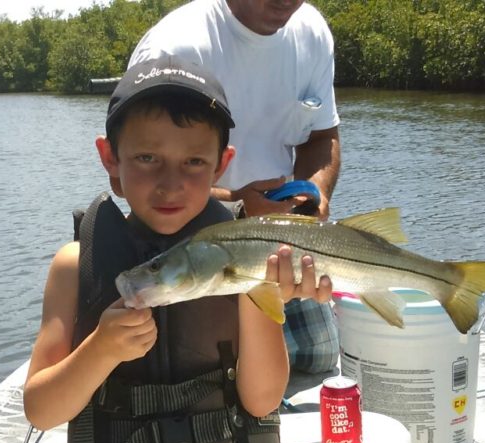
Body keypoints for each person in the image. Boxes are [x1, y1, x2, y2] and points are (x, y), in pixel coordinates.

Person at [24, 56, 296, 443]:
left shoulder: (247, 257)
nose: (171, 183)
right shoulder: (75, 266)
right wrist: (101, 349)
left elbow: (261, 401)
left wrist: (263, 293)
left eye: (194, 162)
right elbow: (41, 410)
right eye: (147, 158)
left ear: (222, 164)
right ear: (110, 159)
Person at [129, 0, 341, 382]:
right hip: (190, 246)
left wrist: (316, 201)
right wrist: (240, 203)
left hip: (283, 237)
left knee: (319, 361)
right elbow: (147, 178)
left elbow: (321, 137)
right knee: (215, 381)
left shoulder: (311, 31)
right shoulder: (174, 49)